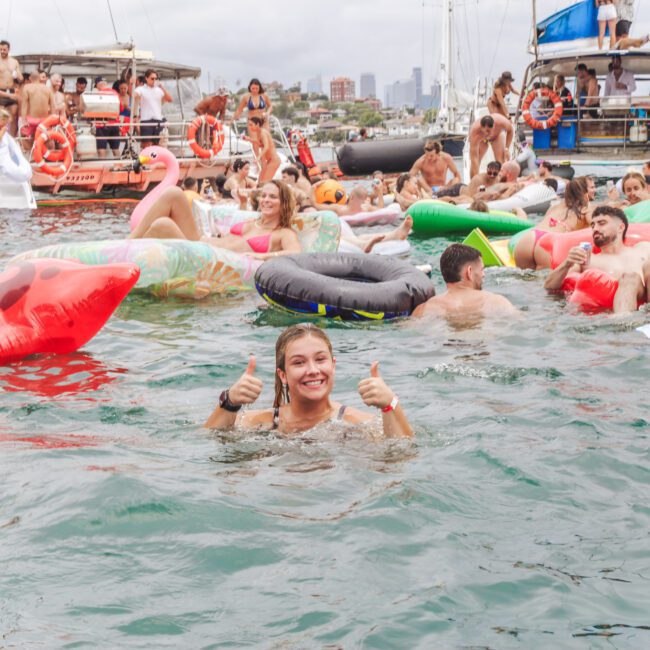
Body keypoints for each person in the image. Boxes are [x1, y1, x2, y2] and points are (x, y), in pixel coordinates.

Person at [204, 323, 413, 438]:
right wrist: (229, 402)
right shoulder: (259, 422)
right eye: (299, 363)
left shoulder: (358, 424)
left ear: (333, 365)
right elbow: (206, 441)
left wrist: (391, 405)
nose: (313, 370)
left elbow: (400, 459)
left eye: (320, 360)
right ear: (283, 375)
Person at [130, 179, 302, 260]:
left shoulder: (283, 233)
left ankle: (129, 257)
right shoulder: (252, 220)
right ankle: (128, 243)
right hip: (200, 242)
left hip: (206, 259)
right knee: (173, 193)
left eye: (272, 197)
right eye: (264, 195)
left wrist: (262, 256)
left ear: (284, 203)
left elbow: (296, 253)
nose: (265, 200)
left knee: (163, 225)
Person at [544, 205, 650, 312]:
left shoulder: (643, 248)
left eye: (602, 223)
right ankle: (623, 323)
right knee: (630, 278)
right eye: (593, 225)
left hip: (644, 299)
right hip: (611, 310)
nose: (595, 229)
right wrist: (567, 263)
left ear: (620, 227)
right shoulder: (587, 259)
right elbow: (549, 286)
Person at [412, 243, 517, 319]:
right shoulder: (497, 302)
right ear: (469, 272)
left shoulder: (425, 309)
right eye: (481, 270)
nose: (483, 275)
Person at [514, 177, 592, 269]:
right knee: (543, 281)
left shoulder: (554, 207)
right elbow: (596, 227)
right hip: (548, 243)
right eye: (592, 187)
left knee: (524, 279)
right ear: (586, 195)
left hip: (528, 238)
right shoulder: (586, 209)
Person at [133, 69, 172, 149]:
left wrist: (161, 87)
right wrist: (131, 84)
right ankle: (145, 161)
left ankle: (155, 161)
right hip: (146, 120)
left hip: (158, 120)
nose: (154, 80)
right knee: (146, 145)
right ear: (146, 78)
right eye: (152, 78)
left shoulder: (159, 90)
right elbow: (133, 95)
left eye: (156, 78)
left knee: (157, 145)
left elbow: (170, 99)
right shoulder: (141, 89)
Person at [467, 114, 514, 179]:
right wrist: (475, 181)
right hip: (482, 139)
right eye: (485, 131)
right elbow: (474, 159)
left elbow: (510, 130)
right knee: (476, 161)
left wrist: (507, 148)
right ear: (481, 128)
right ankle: (473, 183)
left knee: (500, 161)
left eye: (489, 131)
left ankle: (502, 182)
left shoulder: (501, 121)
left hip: (497, 136)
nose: (487, 134)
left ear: (494, 125)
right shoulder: (475, 132)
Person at [19, 70, 55, 150]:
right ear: (39, 78)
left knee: (23, 136)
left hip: (32, 119)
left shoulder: (27, 87)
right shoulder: (47, 89)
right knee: (48, 138)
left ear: (30, 78)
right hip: (45, 120)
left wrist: (24, 120)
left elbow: (24, 106)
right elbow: (53, 106)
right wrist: (52, 120)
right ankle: (49, 156)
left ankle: (31, 155)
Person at [93, 77, 121, 159]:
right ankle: (119, 166)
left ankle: (102, 168)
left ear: (98, 85)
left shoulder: (97, 94)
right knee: (116, 148)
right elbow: (120, 108)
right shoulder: (115, 93)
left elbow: (93, 109)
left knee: (101, 149)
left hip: (102, 124)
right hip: (115, 124)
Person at [247, 115, 281, 182]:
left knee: (264, 182)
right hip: (269, 161)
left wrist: (258, 157)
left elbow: (266, 146)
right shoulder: (258, 133)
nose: (249, 127)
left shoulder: (263, 132)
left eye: (251, 125)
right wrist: (248, 139)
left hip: (274, 160)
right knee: (260, 181)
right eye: (249, 125)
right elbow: (260, 144)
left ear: (257, 124)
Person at [0, 40, 23, 136]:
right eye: (0, 49)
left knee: (13, 115)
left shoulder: (14, 62)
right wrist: (9, 95)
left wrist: (16, 74)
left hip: (12, 90)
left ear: (8, 49)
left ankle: (12, 138)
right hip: (2, 92)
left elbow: (21, 79)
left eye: (4, 49)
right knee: (1, 117)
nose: (2, 51)